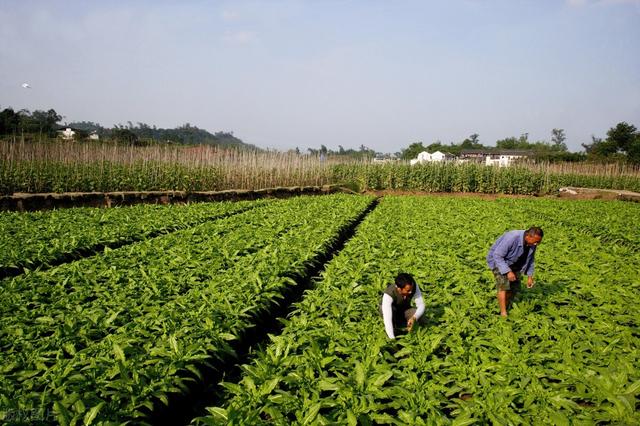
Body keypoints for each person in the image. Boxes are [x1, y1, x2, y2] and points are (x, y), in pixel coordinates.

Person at [487, 226, 544, 317]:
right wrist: (508, 272)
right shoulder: (512, 237)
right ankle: (503, 313)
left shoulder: (532, 243)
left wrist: (530, 277)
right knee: (503, 285)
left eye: (539, 242)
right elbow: (497, 255)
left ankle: (505, 305)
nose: (537, 244)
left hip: (515, 263)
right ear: (528, 236)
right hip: (498, 261)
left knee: (513, 289)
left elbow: (530, 259)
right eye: (536, 241)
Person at [380, 272, 425, 339]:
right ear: (399, 289)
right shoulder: (388, 295)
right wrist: (392, 340)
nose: (411, 292)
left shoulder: (413, 286)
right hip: (392, 312)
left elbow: (421, 305)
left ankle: (415, 332)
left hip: (404, 309)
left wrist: (414, 317)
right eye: (408, 290)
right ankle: (396, 329)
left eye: (411, 289)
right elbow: (387, 319)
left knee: (419, 315)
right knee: (391, 316)